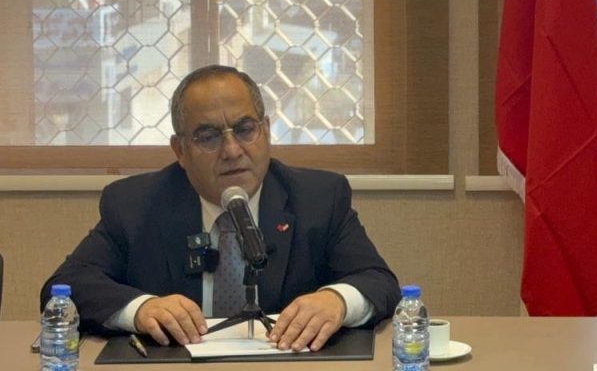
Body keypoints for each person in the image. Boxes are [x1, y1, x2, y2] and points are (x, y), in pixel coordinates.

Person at [41, 65, 401, 352]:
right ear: (180, 151)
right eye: (208, 136)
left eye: (245, 129)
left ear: (266, 131)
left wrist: (337, 300)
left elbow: (379, 282)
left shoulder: (318, 197)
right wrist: (140, 309)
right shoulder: (135, 204)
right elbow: (63, 288)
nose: (232, 151)